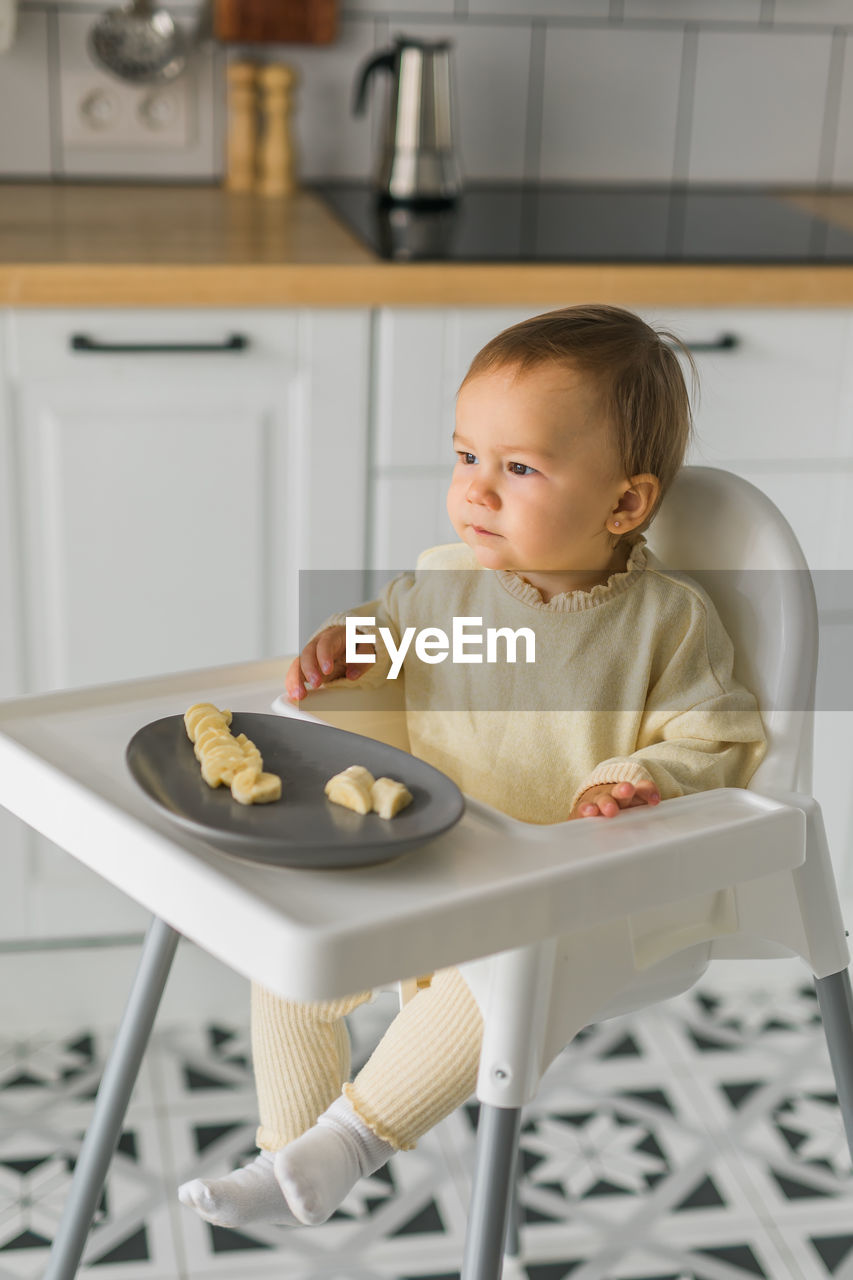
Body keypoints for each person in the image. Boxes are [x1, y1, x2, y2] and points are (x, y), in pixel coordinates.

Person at [178, 303, 767, 1231]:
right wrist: (346, 646)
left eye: (519, 468)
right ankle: (282, 1152)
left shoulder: (667, 623)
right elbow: (395, 635)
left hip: (563, 885)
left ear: (623, 504)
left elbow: (713, 735)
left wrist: (633, 778)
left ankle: (348, 1144)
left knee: (490, 987)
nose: (477, 491)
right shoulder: (448, 582)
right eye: (466, 458)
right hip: (431, 846)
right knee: (290, 955)